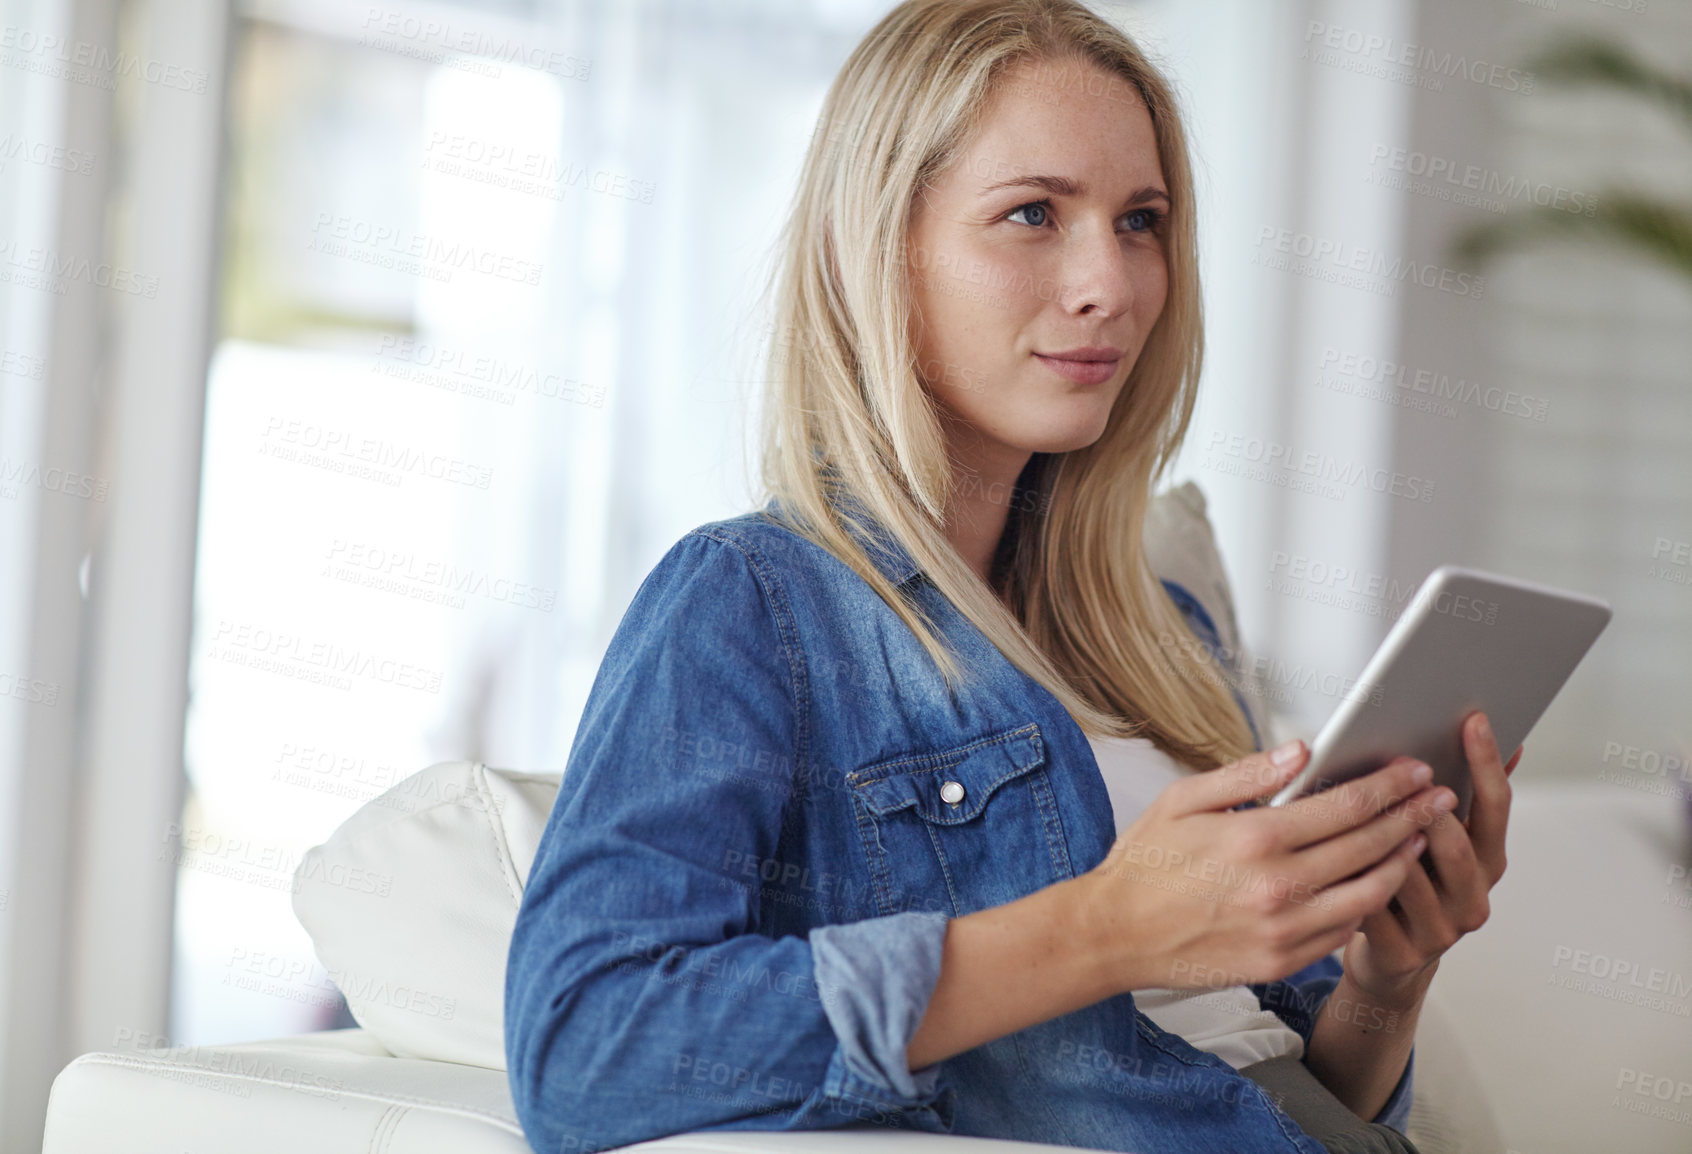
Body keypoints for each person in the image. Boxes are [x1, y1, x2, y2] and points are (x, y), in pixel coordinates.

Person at [504, 3, 1518, 1152]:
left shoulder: (1169, 639)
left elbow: (1278, 1072)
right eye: (1033, 213)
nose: (1111, 284)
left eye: (1141, 222)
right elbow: (586, 1048)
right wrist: (1100, 928)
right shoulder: (751, 604)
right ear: (881, 243)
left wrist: (1390, 969)